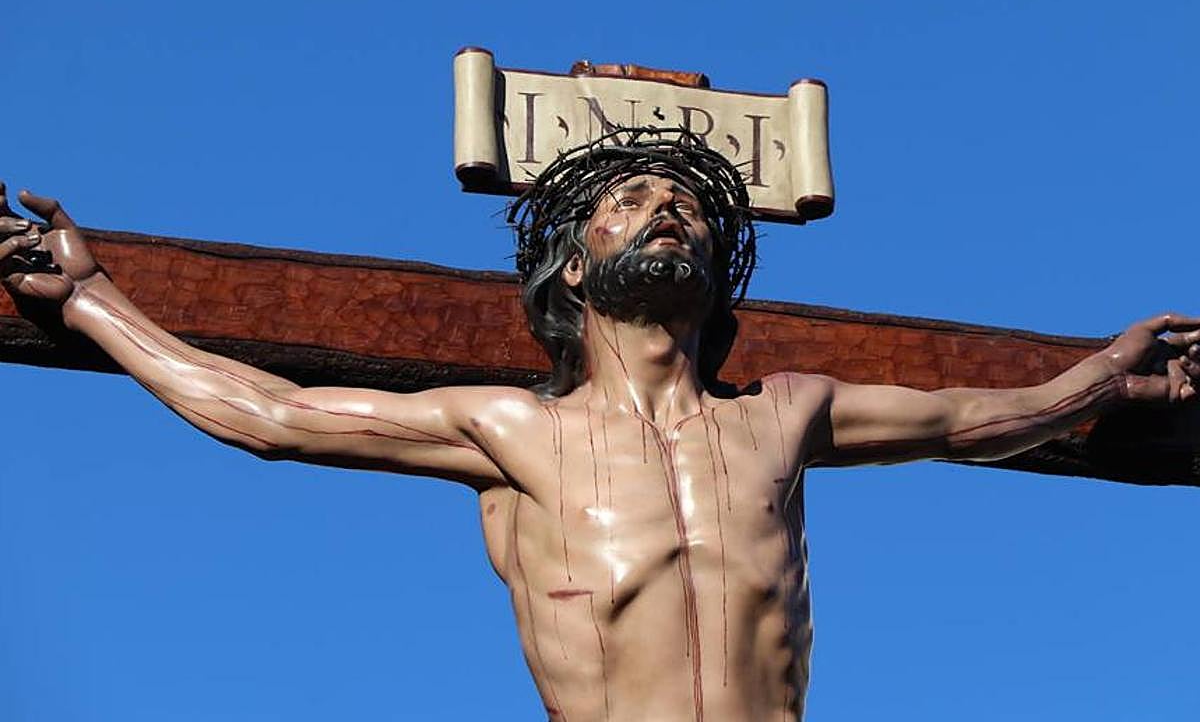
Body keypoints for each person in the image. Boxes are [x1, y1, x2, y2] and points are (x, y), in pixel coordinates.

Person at [2, 130, 1198, 722]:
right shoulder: (509, 430)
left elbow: (982, 416)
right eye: (629, 202)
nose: (663, 209)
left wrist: (1108, 370)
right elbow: (268, 411)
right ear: (576, 269)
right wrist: (97, 301)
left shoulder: (786, 417)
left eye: (682, 201)